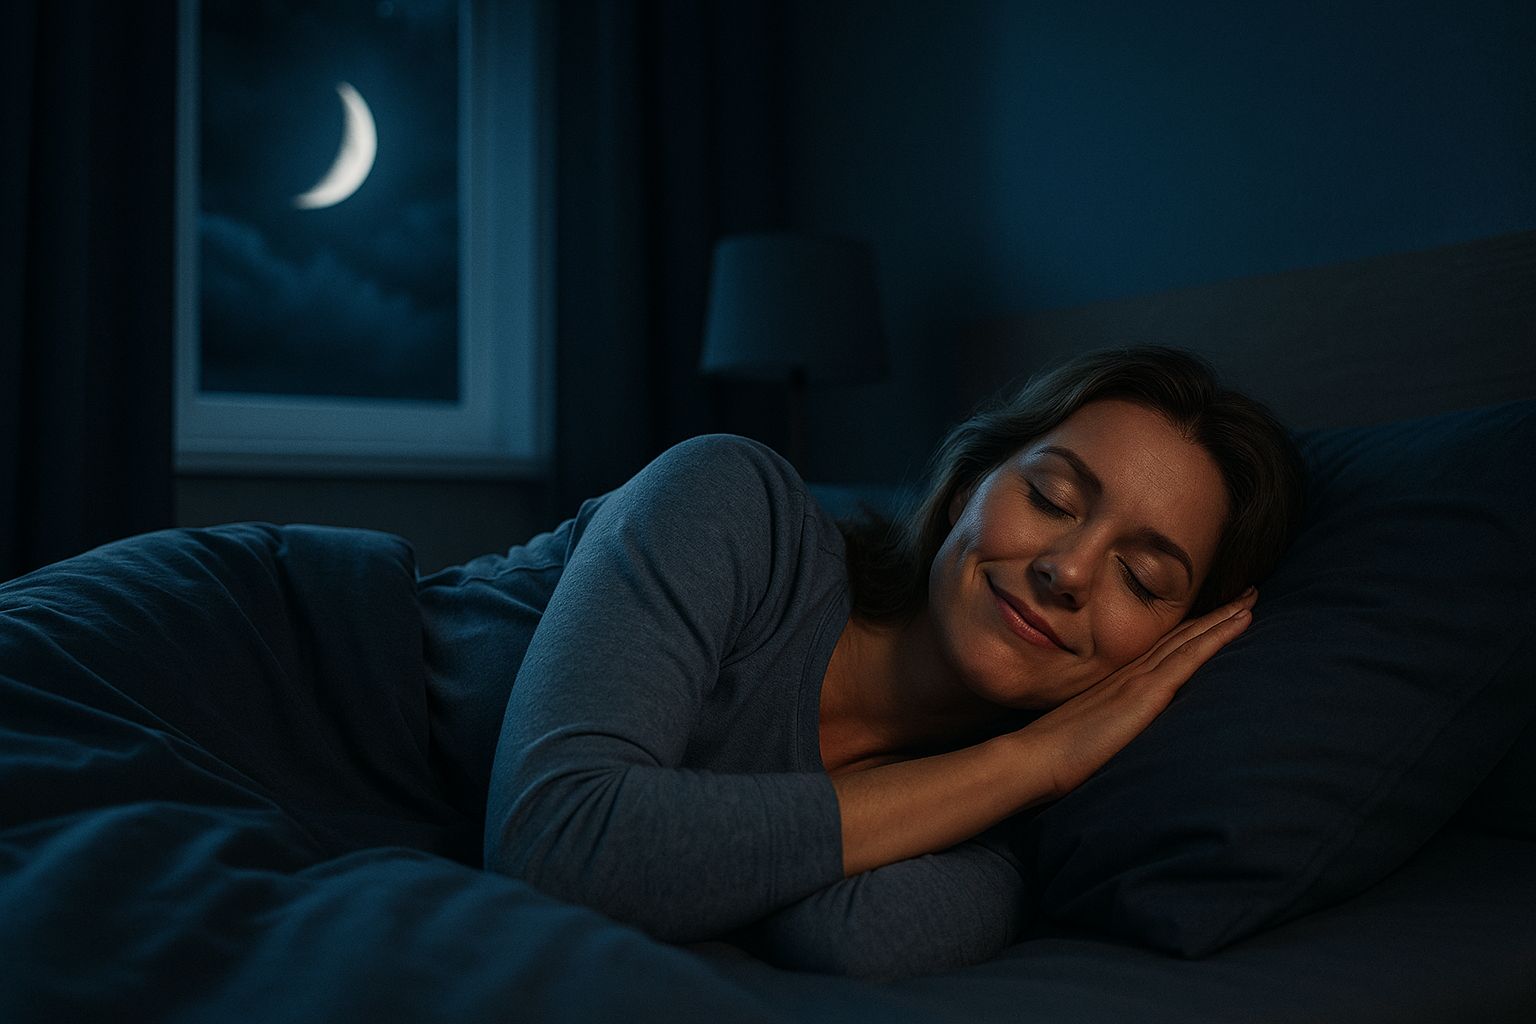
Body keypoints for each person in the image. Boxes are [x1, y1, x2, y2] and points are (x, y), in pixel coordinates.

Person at [415, 344, 1305, 979]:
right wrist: (1032, 757)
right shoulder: (734, 502)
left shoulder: (986, 840)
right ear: (965, 489)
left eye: (1141, 579)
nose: (1066, 571)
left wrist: (1019, 777)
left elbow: (858, 938)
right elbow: (556, 846)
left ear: (1171, 655)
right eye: (1049, 496)